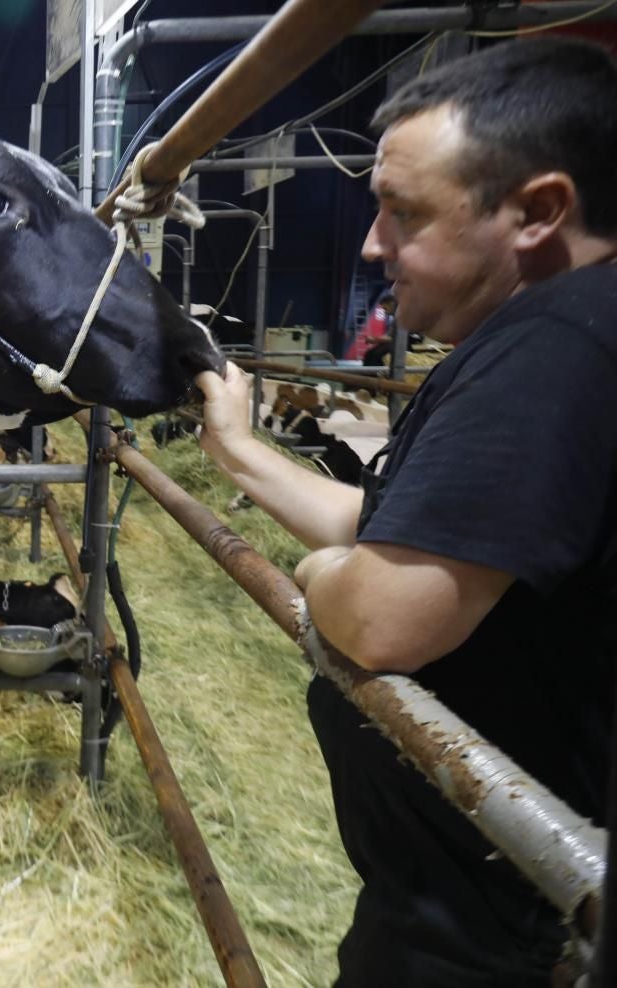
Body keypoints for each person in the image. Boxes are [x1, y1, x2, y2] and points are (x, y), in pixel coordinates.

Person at [197, 38, 617, 986]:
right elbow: (402, 527)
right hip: (470, 897)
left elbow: (384, 613)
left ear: (539, 213)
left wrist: (317, 581)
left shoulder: (554, 346)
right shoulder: (550, 332)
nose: (371, 244)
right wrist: (238, 451)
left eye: (402, 211)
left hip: (494, 933)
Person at [344, 291, 396, 363]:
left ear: (392, 304)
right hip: (394, 343)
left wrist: (375, 339)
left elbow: (393, 339)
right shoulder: (394, 319)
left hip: (402, 345)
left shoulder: (401, 318)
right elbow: (389, 337)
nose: (385, 312)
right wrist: (374, 339)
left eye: (385, 309)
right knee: (370, 354)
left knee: (376, 355)